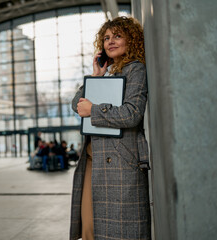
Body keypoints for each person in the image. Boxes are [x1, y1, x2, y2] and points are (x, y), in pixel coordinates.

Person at [70, 16, 151, 240]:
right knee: (89, 229)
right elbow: (75, 104)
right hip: (93, 161)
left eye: (117, 36)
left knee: (120, 231)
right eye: (106, 38)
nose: (110, 41)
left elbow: (132, 114)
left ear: (132, 40)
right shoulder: (109, 73)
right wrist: (96, 75)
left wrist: (94, 110)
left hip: (120, 162)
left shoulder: (136, 70)